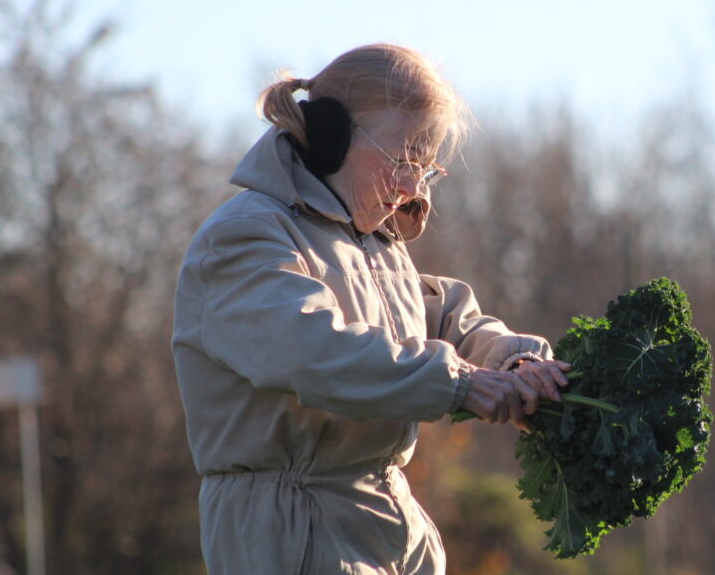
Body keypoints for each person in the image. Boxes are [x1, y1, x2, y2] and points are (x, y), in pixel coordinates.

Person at [171, 44, 571, 574]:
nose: (410, 188)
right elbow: (310, 348)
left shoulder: (378, 245)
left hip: (391, 519)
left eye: (424, 170)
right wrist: (458, 383)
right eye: (401, 160)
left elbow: (446, 319)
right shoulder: (245, 236)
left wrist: (510, 362)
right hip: (293, 529)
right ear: (332, 134)